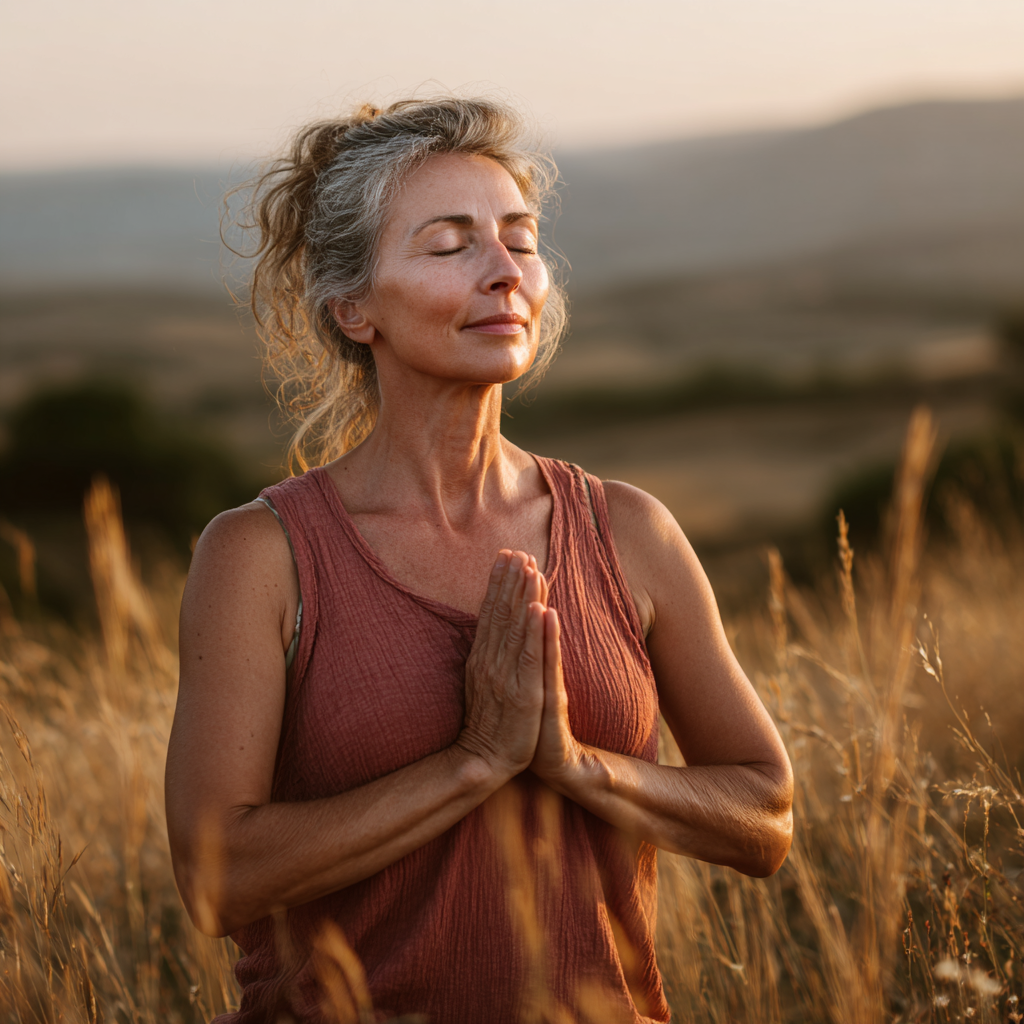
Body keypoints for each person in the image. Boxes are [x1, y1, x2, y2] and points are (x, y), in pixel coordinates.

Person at [164, 98, 793, 1024]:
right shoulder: (263, 557)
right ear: (353, 306)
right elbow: (219, 882)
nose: (505, 272)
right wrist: (473, 763)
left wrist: (575, 766)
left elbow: (767, 818)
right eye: (450, 245)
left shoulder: (630, 532)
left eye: (520, 240)